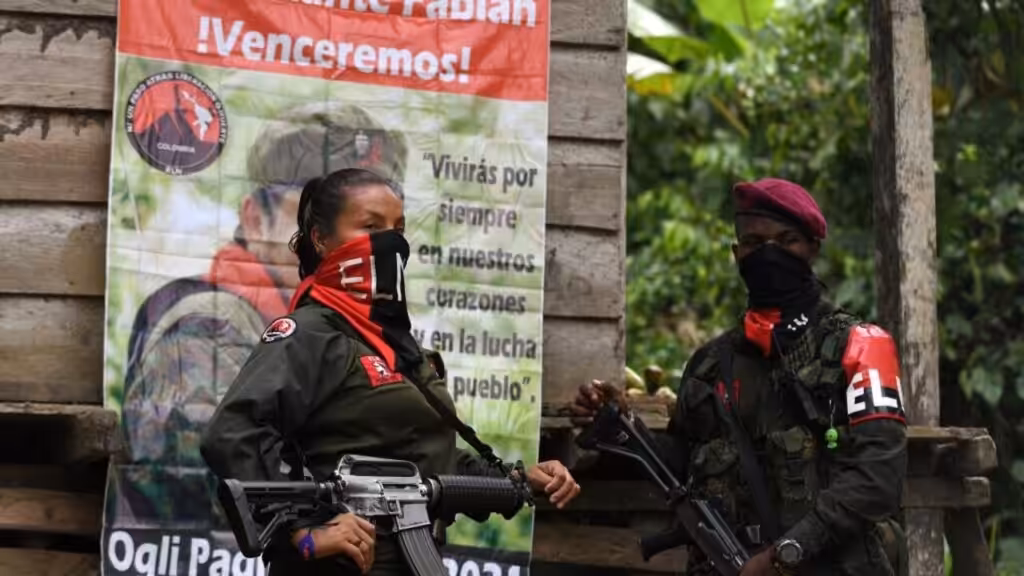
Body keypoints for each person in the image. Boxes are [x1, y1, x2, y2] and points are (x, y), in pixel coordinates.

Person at [200, 168, 582, 575]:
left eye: (397, 228)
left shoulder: (400, 346)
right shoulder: (311, 332)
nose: (390, 241)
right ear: (322, 240)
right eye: (370, 226)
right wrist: (305, 530)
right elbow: (233, 432)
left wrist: (521, 479)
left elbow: (434, 461)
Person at [574, 178, 908, 576]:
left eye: (786, 241)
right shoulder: (709, 365)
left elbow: (877, 478)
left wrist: (785, 554)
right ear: (737, 254)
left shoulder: (862, 346)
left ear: (813, 248)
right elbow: (683, 463)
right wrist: (619, 423)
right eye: (754, 243)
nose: (769, 254)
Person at [110, 102, 410, 527]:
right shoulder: (205, 328)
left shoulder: (352, 334)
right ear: (255, 218)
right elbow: (203, 497)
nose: (368, 245)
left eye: (385, 226)